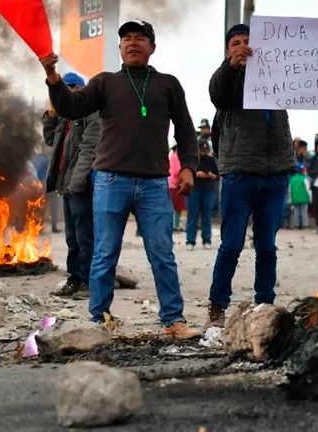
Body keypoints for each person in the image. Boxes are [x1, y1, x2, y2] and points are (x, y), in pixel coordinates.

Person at [41, 19, 201, 339]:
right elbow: (72, 108)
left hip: (154, 183)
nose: (132, 43)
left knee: (162, 254)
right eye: (126, 38)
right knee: (104, 252)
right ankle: (99, 319)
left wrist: (188, 166)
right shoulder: (104, 83)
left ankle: (174, 319)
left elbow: (185, 129)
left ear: (152, 47)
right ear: (119, 48)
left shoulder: (168, 84)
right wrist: (52, 77)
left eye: (140, 38)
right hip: (111, 181)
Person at [207, 24, 318, 324]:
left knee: (267, 246)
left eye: (247, 41)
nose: (242, 46)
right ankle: (217, 307)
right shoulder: (227, 79)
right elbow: (217, 92)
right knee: (231, 244)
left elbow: (316, 73)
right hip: (240, 172)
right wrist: (231, 66)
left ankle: (265, 305)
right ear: (228, 50)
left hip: (276, 173)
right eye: (235, 43)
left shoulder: (282, 73)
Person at [43, 71, 101, 300]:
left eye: (67, 88)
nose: (62, 93)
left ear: (77, 89)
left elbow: (89, 150)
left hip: (81, 185)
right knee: (71, 237)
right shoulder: (65, 117)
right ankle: (74, 279)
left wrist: (77, 182)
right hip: (65, 185)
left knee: (84, 236)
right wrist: (50, 116)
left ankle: (87, 281)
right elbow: (50, 141)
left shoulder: (91, 113)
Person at [186, 141, 219, 250]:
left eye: (205, 150)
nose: (203, 152)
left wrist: (210, 175)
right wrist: (196, 174)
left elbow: (217, 176)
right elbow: (187, 173)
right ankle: (190, 241)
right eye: (201, 149)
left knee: (207, 216)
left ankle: (207, 240)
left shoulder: (211, 160)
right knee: (192, 215)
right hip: (194, 190)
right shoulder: (193, 160)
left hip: (209, 190)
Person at [169, 146, 187, 232]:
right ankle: (178, 225)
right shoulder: (175, 156)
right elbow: (176, 171)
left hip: (175, 184)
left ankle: (176, 225)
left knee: (178, 208)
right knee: (179, 207)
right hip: (176, 184)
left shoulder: (173, 156)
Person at [288, 163, 310, 229]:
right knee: (304, 212)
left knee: (296, 212)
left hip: (294, 198)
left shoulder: (291, 179)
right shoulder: (304, 178)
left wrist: (290, 199)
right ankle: (304, 225)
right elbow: (307, 189)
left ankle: (296, 225)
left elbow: (289, 190)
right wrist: (310, 198)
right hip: (304, 198)